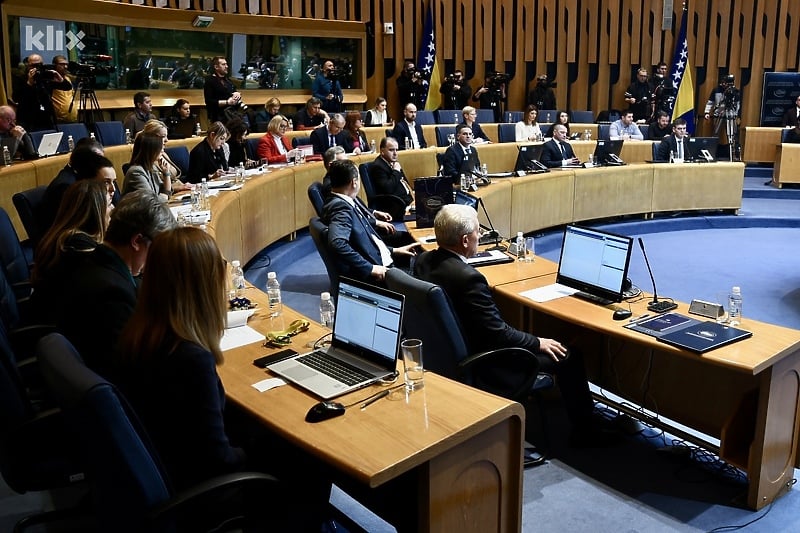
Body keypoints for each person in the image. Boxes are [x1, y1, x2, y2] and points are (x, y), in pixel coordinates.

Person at [113, 227, 332, 529]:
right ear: (202, 288)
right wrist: (267, 443)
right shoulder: (190, 359)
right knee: (309, 455)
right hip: (208, 492)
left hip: (169, 467)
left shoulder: (138, 335)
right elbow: (218, 460)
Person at [414, 203, 601, 443]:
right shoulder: (469, 278)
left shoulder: (423, 260)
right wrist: (537, 342)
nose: (479, 236)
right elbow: (498, 335)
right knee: (568, 355)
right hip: (485, 361)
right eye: (476, 232)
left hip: (443, 355)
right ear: (464, 241)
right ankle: (588, 433)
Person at [57, 190, 176, 379]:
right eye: (156, 248)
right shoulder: (111, 293)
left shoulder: (93, 261)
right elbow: (131, 368)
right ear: (137, 241)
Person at [321, 160, 418, 283]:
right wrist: (370, 268)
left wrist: (394, 250)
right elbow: (337, 243)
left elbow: (365, 243)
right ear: (354, 182)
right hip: (384, 273)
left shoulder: (341, 201)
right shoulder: (341, 207)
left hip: (385, 259)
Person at [31, 180, 110, 323]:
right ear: (96, 211)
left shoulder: (64, 234)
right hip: (59, 323)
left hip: (55, 312)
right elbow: (109, 277)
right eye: (109, 205)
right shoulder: (76, 244)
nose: (113, 209)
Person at [40, 139, 107, 234]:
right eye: (98, 161)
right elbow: (75, 223)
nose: (101, 166)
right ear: (85, 161)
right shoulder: (66, 185)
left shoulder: (76, 175)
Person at [12, 53, 72, 131]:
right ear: (28, 65)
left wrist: (60, 79)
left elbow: (67, 87)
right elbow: (16, 98)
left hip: (46, 116)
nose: (36, 68)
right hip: (28, 118)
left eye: (39, 65)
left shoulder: (45, 77)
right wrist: (29, 83)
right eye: (33, 65)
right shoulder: (21, 78)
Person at [139, 119, 191, 193]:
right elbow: (156, 190)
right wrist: (178, 188)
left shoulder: (163, 154)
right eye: (163, 136)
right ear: (153, 138)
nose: (166, 140)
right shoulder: (147, 162)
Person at [124, 134, 173, 201]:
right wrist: (165, 195)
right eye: (159, 148)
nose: (162, 151)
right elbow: (151, 201)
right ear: (150, 150)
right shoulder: (136, 172)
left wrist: (166, 173)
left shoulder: (152, 167)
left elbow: (166, 192)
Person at [370, 137, 413, 207]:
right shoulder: (378, 166)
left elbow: (404, 182)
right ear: (382, 151)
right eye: (391, 150)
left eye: (396, 150)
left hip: (408, 200)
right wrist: (396, 171)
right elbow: (388, 189)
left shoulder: (393, 163)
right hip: (397, 204)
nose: (395, 153)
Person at [203, 56, 244, 124]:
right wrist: (227, 102)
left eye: (226, 64)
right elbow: (209, 101)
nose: (226, 66)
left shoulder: (228, 81)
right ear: (216, 67)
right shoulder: (210, 81)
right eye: (223, 64)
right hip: (218, 117)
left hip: (232, 114)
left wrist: (237, 94)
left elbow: (232, 92)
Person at [50, 55, 78, 124]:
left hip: (72, 117)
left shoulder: (68, 79)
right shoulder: (51, 80)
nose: (65, 67)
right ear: (55, 65)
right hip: (59, 119)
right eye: (62, 64)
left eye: (66, 64)